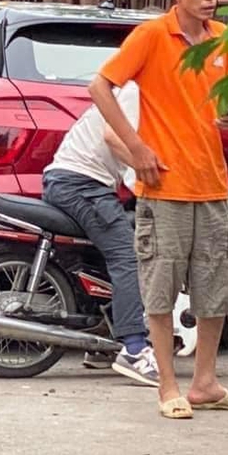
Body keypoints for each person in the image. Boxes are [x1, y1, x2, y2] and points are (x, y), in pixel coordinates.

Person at [88, 0, 228, 419]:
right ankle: (166, 387)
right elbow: (99, 88)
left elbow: (220, 110)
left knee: (216, 288)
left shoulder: (221, 40)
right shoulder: (151, 36)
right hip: (164, 189)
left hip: (214, 186)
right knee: (161, 290)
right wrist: (136, 147)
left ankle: (206, 383)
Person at [42, 81, 159, 387]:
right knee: (126, 256)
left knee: (104, 255)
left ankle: (102, 343)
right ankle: (134, 348)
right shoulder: (138, 90)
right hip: (81, 184)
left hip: (75, 182)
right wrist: (155, 175)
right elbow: (114, 138)